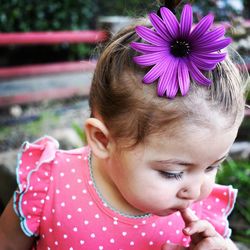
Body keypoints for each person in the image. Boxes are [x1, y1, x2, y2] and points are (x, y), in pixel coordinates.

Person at [0, 1, 249, 249]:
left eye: (212, 166)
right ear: (102, 140)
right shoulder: (48, 188)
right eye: (172, 172)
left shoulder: (204, 223)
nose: (195, 191)